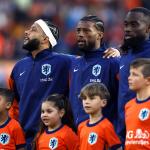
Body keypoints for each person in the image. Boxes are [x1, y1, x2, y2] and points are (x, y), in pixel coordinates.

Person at [9, 19, 71, 149]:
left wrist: (113, 53)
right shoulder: (19, 67)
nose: (26, 32)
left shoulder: (64, 62)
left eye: (33, 29)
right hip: (24, 141)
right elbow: (13, 105)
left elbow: (92, 60)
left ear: (45, 39)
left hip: (53, 139)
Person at [69, 15, 120, 127]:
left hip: (102, 134)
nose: (80, 34)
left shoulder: (112, 62)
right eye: (78, 31)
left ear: (100, 35)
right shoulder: (74, 62)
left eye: (86, 31)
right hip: (77, 134)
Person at [117, 7, 150, 144]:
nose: (128, 29)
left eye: (134, 24)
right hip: (123, 127)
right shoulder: (124, 54)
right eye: (126, 25)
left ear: (148, 29)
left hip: (144, 129)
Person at [78, 83, 122, 150]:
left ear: (103, 102)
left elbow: (117, 148)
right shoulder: (81, 126)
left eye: (91, 98)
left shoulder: (106, 126)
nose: (86, 102)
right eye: (84, 98)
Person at [125, 58, 150, 150]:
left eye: (135, 75)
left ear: (148, 80)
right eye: (130, 74)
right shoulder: (128, 106)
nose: (129, 78)